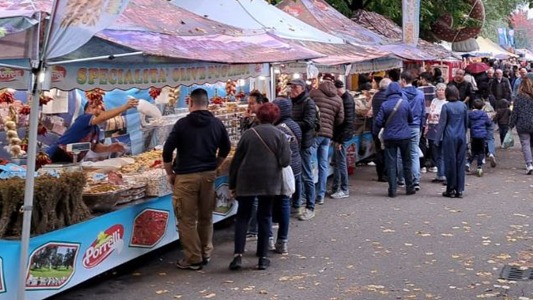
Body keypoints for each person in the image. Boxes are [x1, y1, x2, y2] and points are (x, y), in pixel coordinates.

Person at [162, 88, 231, 270]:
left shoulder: (182, 124)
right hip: (208, 176)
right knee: (206, 217)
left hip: (185, 178)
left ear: (190, 102)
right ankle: (205, 252)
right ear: (207, 102)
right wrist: (216, 164)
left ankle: (193, 258)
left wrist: (170, 173)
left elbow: (167, 151)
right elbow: (226, 147)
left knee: (186, 219)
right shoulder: (217, 123)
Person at [229, 103, 291, 271]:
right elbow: (285, 161)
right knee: (265, 216)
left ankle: (238, 256)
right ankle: (263, 258)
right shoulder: (280, 135)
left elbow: (236, 161)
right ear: (275, 117)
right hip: (269, 181)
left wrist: (232, 184)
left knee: (243, 217)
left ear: (258, 116)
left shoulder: (248, 134)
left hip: (246, 179)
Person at [47, 99, 138, 163]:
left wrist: (110, 148)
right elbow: (102, 117)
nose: (99, 111)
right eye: (94, 107)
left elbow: (94, 147)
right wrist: (125, 107)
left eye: (101, 109)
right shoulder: (84, 119)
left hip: (71, 160)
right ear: (87, 110)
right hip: (56, 155)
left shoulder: (95, 129)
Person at [374, 82, 415, 198]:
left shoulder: (385, 105)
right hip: (404, 136)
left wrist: (385, 125)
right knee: (407, 161)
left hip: (389, 137)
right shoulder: (405, 103)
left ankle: (392, 190)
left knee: (391, 163)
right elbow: (411, 119)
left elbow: (378, 121)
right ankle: (409, 187)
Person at [272, 97, 302, 254]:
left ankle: (276, 238)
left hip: (284, 168)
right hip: (295, 165)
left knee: (277, 202)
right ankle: (282, 240)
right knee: (285, 202)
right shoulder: (294, 124)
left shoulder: (280, 128)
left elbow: (280, 153)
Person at [310, 77, 344, 205]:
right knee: (323, 165)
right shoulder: (338, 99)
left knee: (312, 164)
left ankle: (311, 195)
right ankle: (321, 195)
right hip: (327, 135)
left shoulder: (314, 93)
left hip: (315, 133)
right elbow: (340, 119)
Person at [289, 79, 317, 220]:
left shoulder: (308, 103)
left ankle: (311, 207)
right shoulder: (291, 102)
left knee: (306, 175)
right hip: (293, 144)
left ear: (302, 88)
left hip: (304, 143)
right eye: (291, 87)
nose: (292, 90)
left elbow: (309, 123)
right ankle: (296, 204)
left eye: (295, 87)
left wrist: (290, 125)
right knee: (296, 175)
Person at [435, 86, 468, 198]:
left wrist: (436, 139)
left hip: (449, 136)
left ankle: (450, 188)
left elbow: (442, 124)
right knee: (460, 163)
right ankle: (459, 189)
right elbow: (466, 122)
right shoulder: (463, 105)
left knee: (450, 163)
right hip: (461, 136)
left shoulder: (446, 106)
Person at [401, 70, 424, 191]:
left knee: (402, 153)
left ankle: (402, 179)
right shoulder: (420, 94)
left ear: (403, 80)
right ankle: (415, 180)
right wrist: (421, 126)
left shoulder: (400, 94)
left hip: (403, 126)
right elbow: (422, 112)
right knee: (414, 153)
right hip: (415, 126)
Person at [331, 79, 355, 199]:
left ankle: (344, 189)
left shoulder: (346, 101)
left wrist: (340, 139)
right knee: (338, 162)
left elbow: (347, 122)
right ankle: (336, 187)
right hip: (341, 135)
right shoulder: (347, 98)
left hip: (342, 136)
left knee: (340, 162)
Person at [509, 76, 533, 175]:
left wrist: (511, 125)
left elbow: (515, 113)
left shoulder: (519, 98)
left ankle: (529, 164)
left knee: (525, 144)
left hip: (522, 124)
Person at [425, 83, 448, 183]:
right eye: (438, 90)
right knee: (435, 152)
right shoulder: (434, 101)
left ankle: (443, 174)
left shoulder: (447, 103)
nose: (440, 92)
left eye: (442, 90)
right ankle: (439, 173)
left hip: (441, 129)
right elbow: (430, 114)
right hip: (431, 129)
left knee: (442, 152)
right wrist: (426, 127)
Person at [371, 78, 392, 182]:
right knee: (387, 151)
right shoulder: (388, 97)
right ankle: (386, 174)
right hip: (386, 127)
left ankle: (380, 174)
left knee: (379, 151)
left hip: (376, 127)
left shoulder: (375, 96)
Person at [466, 99, 492, 177]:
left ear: (473, 106)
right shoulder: (484, 114)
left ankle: (468, 163)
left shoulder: (470, 114)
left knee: (473, 151)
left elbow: (468, 124)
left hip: (473, 135)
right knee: (481, 151)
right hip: (482, 135)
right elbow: (488, 123)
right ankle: (479, 167)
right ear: (482, 106)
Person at [418, 72, 436, 173]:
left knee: (422, 141)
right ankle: (434, 164)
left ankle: (422, 165)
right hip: (434, 117)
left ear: (423, 79)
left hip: (423, 117)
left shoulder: (419, 90)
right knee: (433, 141)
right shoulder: (436, 89)